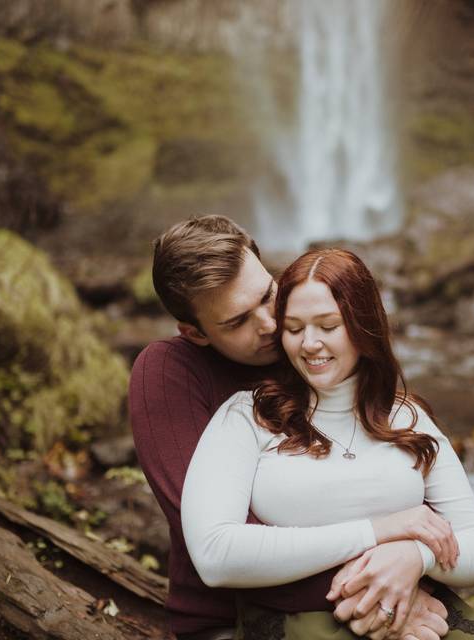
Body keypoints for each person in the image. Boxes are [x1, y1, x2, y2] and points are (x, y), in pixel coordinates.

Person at [130, 217, 456, 640]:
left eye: (268, 294)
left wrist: (410, 559)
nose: (269, 324)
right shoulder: (168, 373)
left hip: (375, 586)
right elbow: (219, 539)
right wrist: (376, 591)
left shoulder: (310, 342)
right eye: (237, 322)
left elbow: (389, 468)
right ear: (195, 333)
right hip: (233, 616)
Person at [181, 247, 474, 640]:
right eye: (295, 328)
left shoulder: (407, 418)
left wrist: (413, 556)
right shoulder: (247, 417)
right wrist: (377, 533)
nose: (309, 344)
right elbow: (216, 554)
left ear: (362, 324)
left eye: (328, 326)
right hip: (297, 620)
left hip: (419, 608)